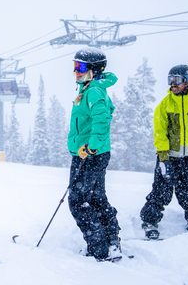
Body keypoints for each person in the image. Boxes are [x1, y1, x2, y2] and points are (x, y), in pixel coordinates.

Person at [140, 64, 188, 239]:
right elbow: (160, 133)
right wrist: (163, 158)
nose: (172, 84)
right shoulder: (165, 105)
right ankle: (150, 222)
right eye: (170, 80)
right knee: (161, 191)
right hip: (170, 157)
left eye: (176, 80)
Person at [67, 47, 121, 261]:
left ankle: (99, 248)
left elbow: (103, 119)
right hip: (91, 153)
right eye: (74, 66)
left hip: (89, 154)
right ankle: (111, 241)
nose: (76, 72)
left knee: (78, 200)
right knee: (96, 198)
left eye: (80, 67)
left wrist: (92, 147)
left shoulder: (94, 91)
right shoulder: (90, 89)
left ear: (94, 69)